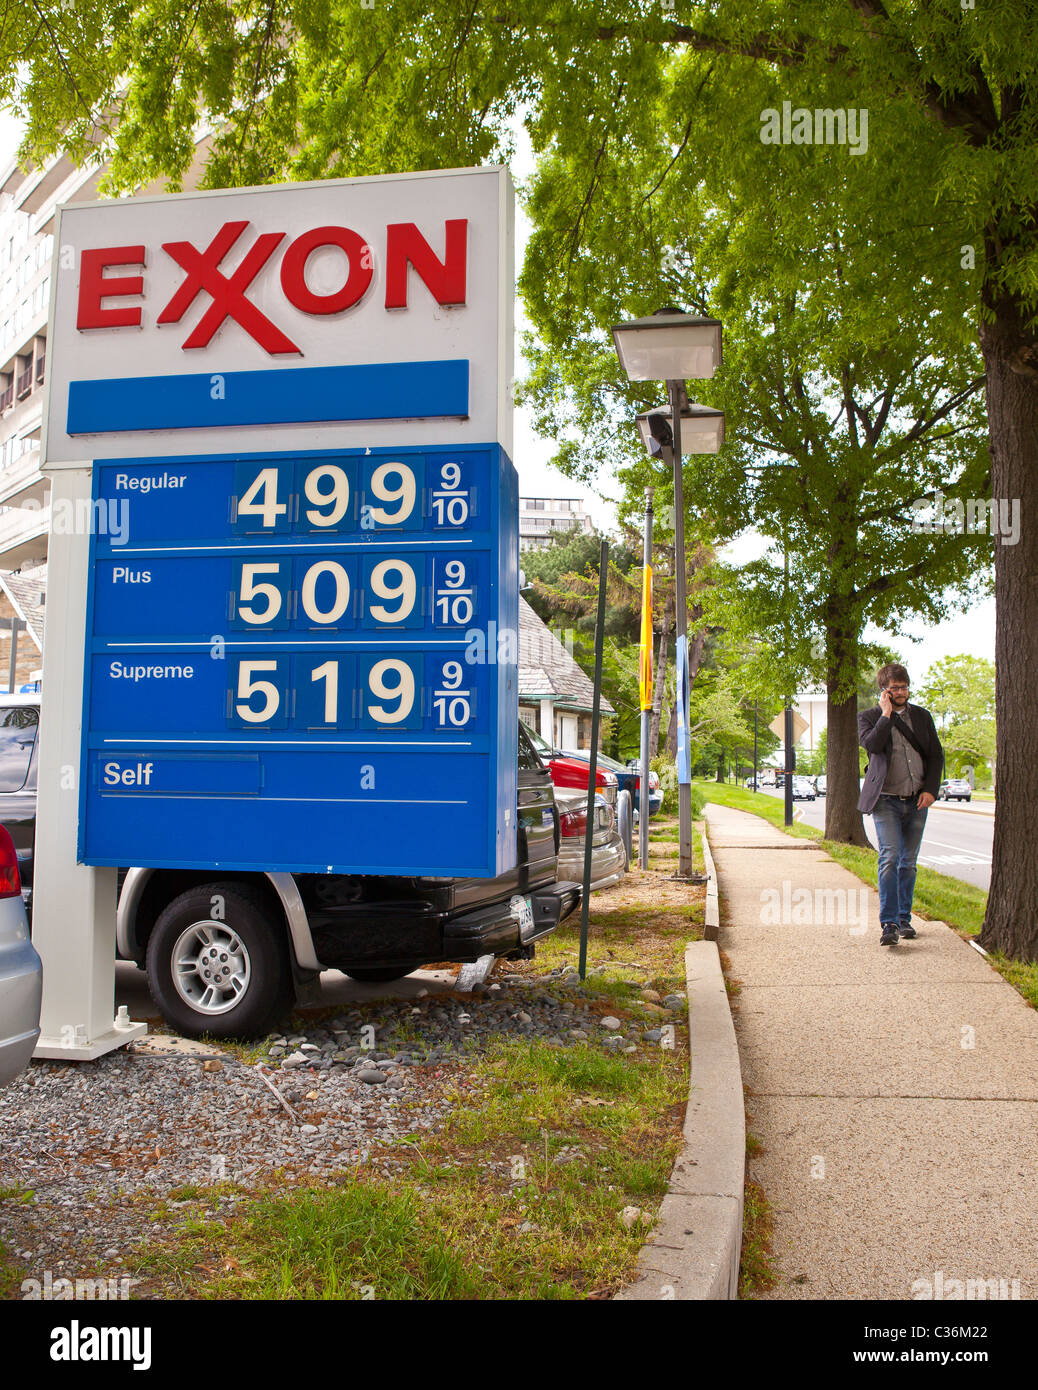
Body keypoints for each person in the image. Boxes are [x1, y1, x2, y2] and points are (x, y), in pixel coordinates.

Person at [857, 663, 944, 946]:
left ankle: (905, 919)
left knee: (908, 862)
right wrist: (885, 715)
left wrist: (931, 790)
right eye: (895, 688)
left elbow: (935, 756)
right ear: (884, 690)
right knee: (890, 858)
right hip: (885, 801)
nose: (901, 692)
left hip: (918, 800)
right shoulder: (868, 717)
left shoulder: (922, 717)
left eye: (904, 686)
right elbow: (873, 744)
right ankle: (889, 923)